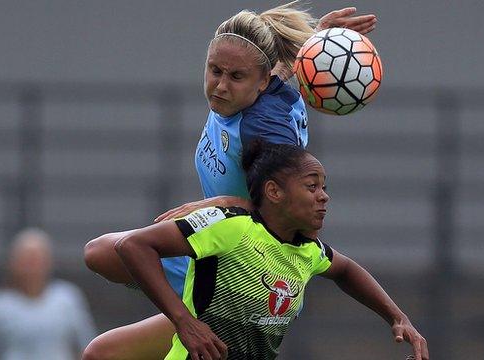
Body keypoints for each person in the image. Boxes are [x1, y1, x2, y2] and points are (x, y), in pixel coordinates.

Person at [83, 3, 378, 359]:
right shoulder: (271, 85)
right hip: (223, 250)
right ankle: (200, 316)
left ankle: (212, 313)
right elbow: (279, 70)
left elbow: (280, 207)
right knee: (102, 353)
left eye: (235, 76)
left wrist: (218, 203)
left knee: (105, 254)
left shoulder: (263, 129)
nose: (220, 85)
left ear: (261, 81)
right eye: (214, 70)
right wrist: (313, 47)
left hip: (247, 265)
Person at [114, 140, 429, 360]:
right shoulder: (232, 227)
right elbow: (134, 245)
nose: (324, 197)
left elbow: (346, 270)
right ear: (274, 191)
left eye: (324, 187)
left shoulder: (307, 251)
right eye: (312, 186)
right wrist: (184, 321)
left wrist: (397, 317)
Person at [0, 228, 96, 360]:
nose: (32, 267)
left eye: (36, 259)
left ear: (49, 261)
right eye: (26, 260)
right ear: (13, 263)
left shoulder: (67, 298)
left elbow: (87, 344)